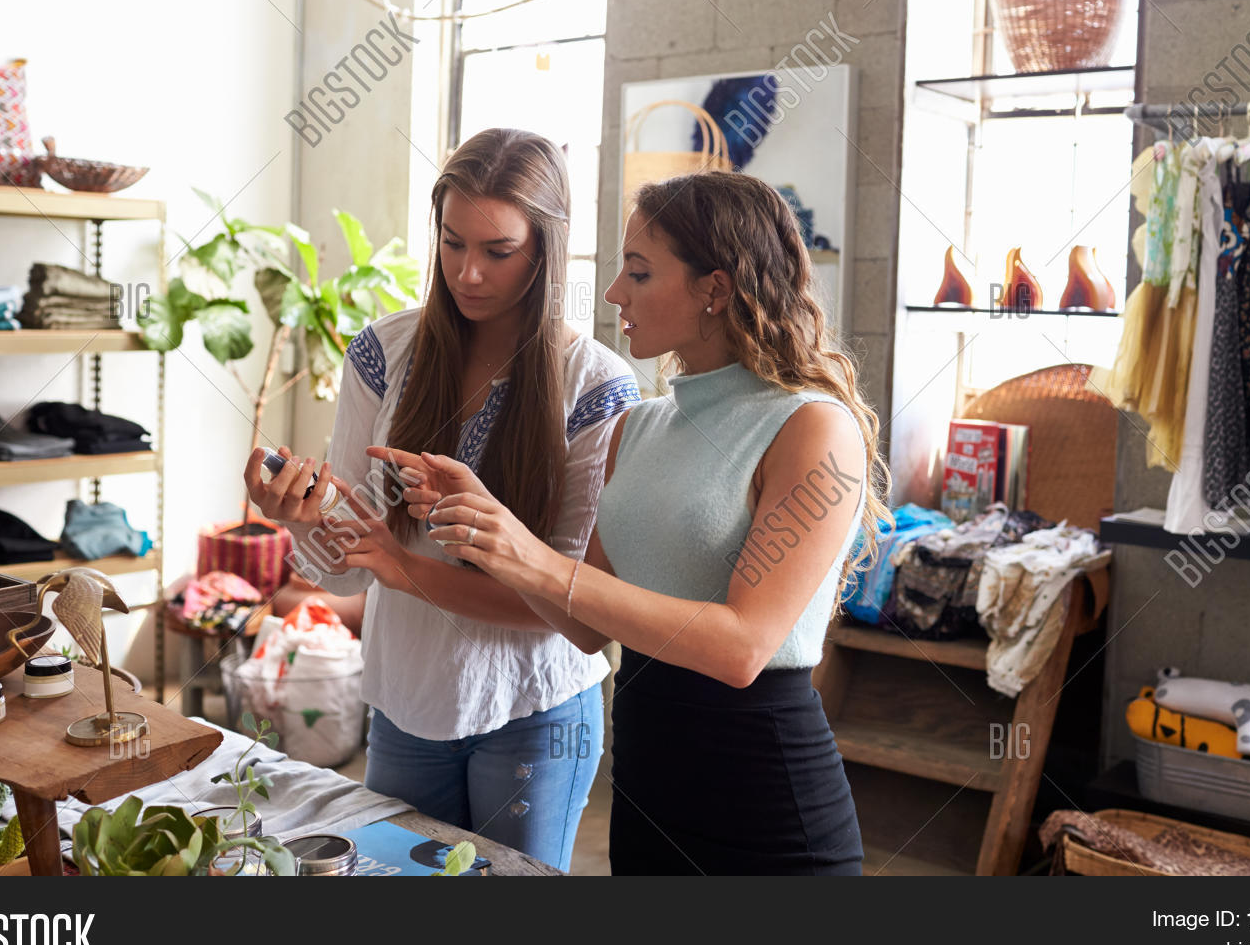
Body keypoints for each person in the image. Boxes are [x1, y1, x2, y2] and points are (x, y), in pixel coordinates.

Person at [372, 170, 890, 874]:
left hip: (764, 800)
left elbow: (743, 646)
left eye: (639, 273)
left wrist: (535, 558)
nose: (614, 293)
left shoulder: (813, 429)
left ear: (716, 289)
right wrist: (485, 527)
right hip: (646, 791)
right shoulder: (637, 428)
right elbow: (585, 625)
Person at [245, 128, 639, 872]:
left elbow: (571, 607)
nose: (468, 273)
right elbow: (346, 569)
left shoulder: (598, 389)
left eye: (498, 251)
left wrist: (403, 567)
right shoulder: (384, 353)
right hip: (405, 697)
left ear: (546, 251)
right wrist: (297, 519)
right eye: (452, 242)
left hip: (536, 710)